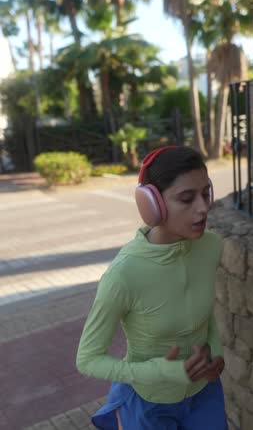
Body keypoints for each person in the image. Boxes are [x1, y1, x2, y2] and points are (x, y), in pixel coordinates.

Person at [76, 145, 227, 430]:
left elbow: (205, 315)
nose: (204, 207)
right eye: (187, 198)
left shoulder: (211, 247)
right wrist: (156, 372)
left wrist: (215, 354)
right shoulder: (123, 274)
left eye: (205, 193)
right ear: (151, 204)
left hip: (204, 394)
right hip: (148, 404)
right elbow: (87, 359)